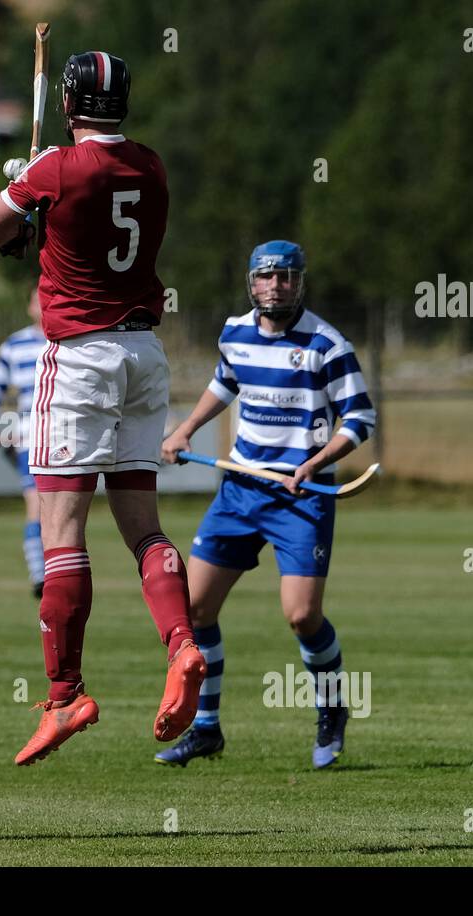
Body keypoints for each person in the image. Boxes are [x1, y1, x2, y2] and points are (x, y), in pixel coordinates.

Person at [0, 52, 204, 766]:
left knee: (61, 532)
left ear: (69, 101)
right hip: (144, 356)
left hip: (79, 360)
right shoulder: (152, 166)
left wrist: (22, 194)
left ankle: (66, 693)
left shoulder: (56, 170)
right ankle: (184, 644)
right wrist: (40, 205)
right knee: (144, 528)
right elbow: (92, 226)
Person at [155, 240, 376, 769]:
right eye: (266, 277)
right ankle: (206, 728)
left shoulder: (327, 344)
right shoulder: (235, 332)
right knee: (195, 608)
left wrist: (314, 462)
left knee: (302, 616)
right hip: (240, 489)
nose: (276, 286)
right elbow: (225, 383)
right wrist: (185, 429)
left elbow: (360, 420)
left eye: (287, 277)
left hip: (301, 497)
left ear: (301, 283)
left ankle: (331, 710)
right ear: (250, 282)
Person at [0, 287, 49, 597]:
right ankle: (39, 577)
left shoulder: (72, 340)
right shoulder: (14, 345)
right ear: (30, 306)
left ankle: (60, 574)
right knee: (36, 505)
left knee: (63, 511)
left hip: (70, 438)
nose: (44, 305)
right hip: (31, 438)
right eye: (39, 300)